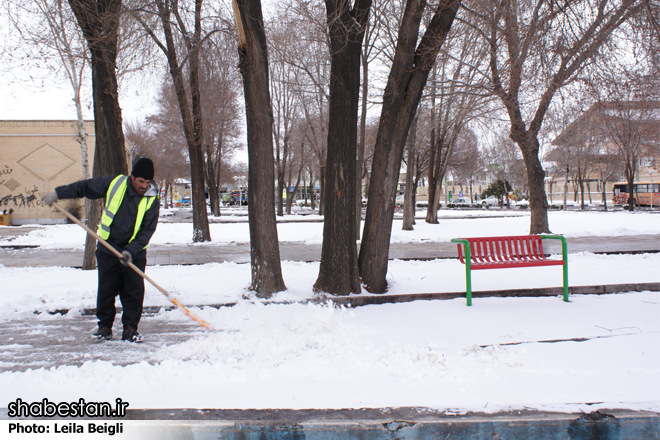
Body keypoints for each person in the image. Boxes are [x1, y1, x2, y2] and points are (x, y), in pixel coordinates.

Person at [42, 158, 160, 343]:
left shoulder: (152, 198)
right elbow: (85, 187)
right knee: (107, 288)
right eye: (141, 181)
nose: (144, 186)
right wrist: (58, 194)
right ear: (132, 177)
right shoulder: (115, 183)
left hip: (134, 251)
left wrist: (130, 251)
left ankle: (130, 329)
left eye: (147, 182)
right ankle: (104, 327)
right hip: (107, 246)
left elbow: (147, 230)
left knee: (133, 290)